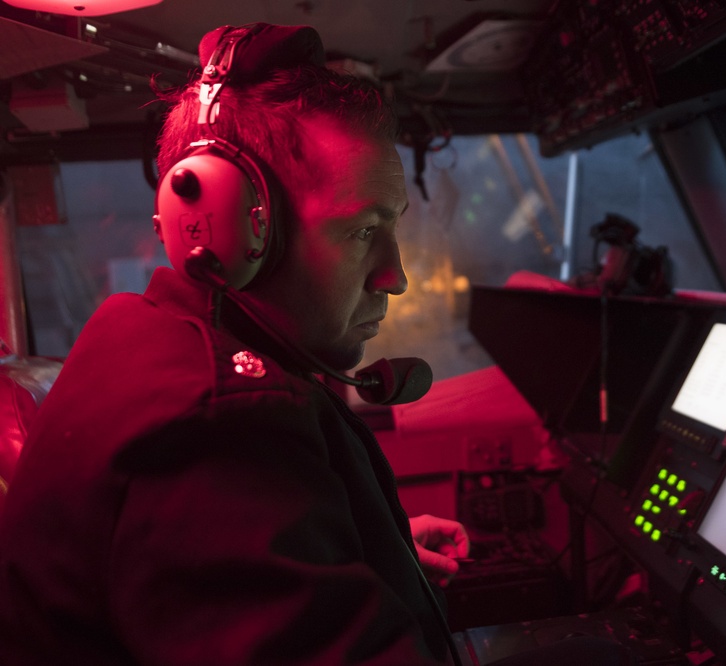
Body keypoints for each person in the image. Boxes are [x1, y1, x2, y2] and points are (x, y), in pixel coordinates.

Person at [0, 22, 638, 666]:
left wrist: (373, 547)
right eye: (364, 230)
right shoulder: (218, 425)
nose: (396, 277)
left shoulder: (138, 338)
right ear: (231, 231)